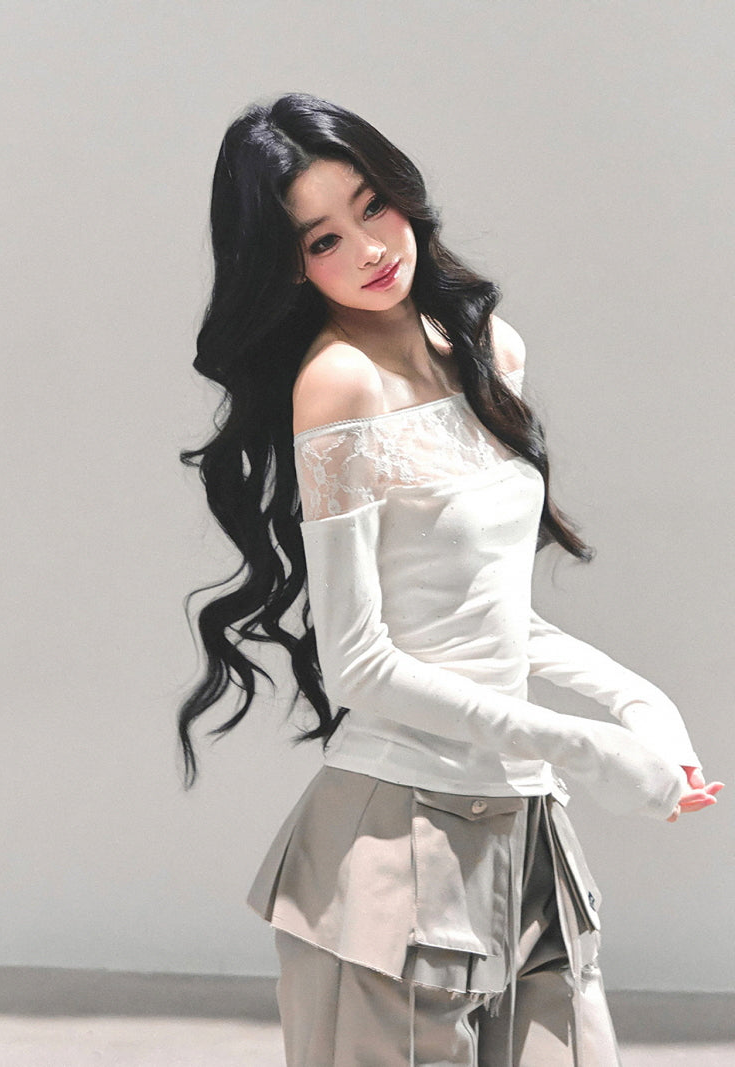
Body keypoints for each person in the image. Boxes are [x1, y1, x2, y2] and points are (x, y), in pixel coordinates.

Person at [178, 93, 722, 1066]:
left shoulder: (486, 345)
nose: (368, 248)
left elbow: (493, 617)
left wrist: (641, 707)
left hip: (525, 828)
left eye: (372, 206)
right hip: (397, 842)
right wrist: (585, 745)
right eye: (322, 240)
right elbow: (360, 665)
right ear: (289, 264)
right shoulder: (336, 383)